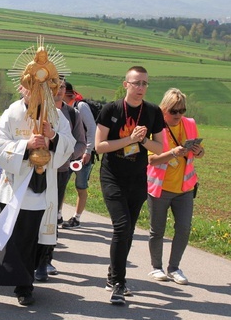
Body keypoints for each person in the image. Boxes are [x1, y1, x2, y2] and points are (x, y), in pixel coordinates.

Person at [0, 88, 75, 306]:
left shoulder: (55, 114)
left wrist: (52, 137)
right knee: (18, 240)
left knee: (36, 240)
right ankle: (24, 285)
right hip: (18, 187)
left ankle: (28, 278)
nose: (35, 92)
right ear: (23, 89)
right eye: (31, 87)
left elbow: (69, 142)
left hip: (44, 187)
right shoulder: (12, 113)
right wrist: (26, 145)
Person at [95, 65, 164, 305]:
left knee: (129, 231)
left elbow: (160, 147)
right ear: (126, 84)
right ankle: (118, 283)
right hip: (113, 176)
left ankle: (112, 275)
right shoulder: (111, 110)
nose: (141, 88)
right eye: (136, 83)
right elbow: (100, 146)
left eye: (144, 83)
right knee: (122, 227)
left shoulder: (153, 112)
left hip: (137, 178)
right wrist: (129, 139)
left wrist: (143, 139)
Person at [146, 88, 204, 285]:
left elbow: (198, 154)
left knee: (184, 228)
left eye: (182, 110)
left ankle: (174, 267)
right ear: (164, 109)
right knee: (157, 230)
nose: (179, 115)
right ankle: (156, 267)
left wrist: (199, 151)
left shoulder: (189, 124)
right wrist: (173, 153)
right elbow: (152, 160)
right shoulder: (156, 127)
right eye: (174, 111)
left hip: (185, 187)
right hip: (160, 188)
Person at [35, 79, 86, 281]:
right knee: (33, 213)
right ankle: (30, 257)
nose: (59, 90)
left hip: (59, 170)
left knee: (52, 215)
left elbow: (81, 142)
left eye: (63, 87)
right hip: (34, 169)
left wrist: (64, 154)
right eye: (55, 86)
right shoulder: (35, 109)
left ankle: (46, 259)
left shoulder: (72, 114)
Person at [62, 81, 97, 229]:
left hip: (83, 154)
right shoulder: (63, 108)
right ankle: (57, 215)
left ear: (67, 93)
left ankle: (77, 218)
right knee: (61, 184)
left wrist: (88, 151)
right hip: (68, 153)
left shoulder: (81, 106)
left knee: (81, 186)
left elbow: (92, 129)